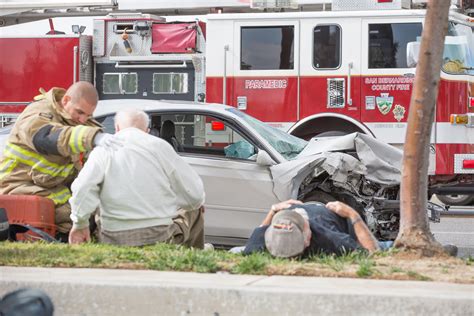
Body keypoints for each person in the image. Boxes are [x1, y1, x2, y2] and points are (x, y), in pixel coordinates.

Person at [68, 109, 206, 248]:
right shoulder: (160, 146)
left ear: (116, 128)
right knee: (195, 208)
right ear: (147, 130)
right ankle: (191, 260)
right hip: (158, 236)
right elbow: (194, 195)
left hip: (112, 237)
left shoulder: (103, 150)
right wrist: (190, 204)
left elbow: (83, 188)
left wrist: (80, 223)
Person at [0, 82, 119, 241]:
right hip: (17, 183)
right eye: (80, 112)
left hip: (50, 186)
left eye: (88, 116)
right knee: (69, 214)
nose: (83, 120)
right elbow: (47, 137)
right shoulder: (39, 113)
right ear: (66, 100)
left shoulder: (77, 122)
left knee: (91, 209)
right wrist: (92, 137)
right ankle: (64, 241)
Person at [243, 199, 382, 258]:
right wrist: (352, 214)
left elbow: (262, 228)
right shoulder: (331, 239)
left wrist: (273, 210)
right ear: (307, 239)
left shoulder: (260, 240)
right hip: (330, 214)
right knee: (386, 245)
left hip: (311, 208)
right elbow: (372, 253)